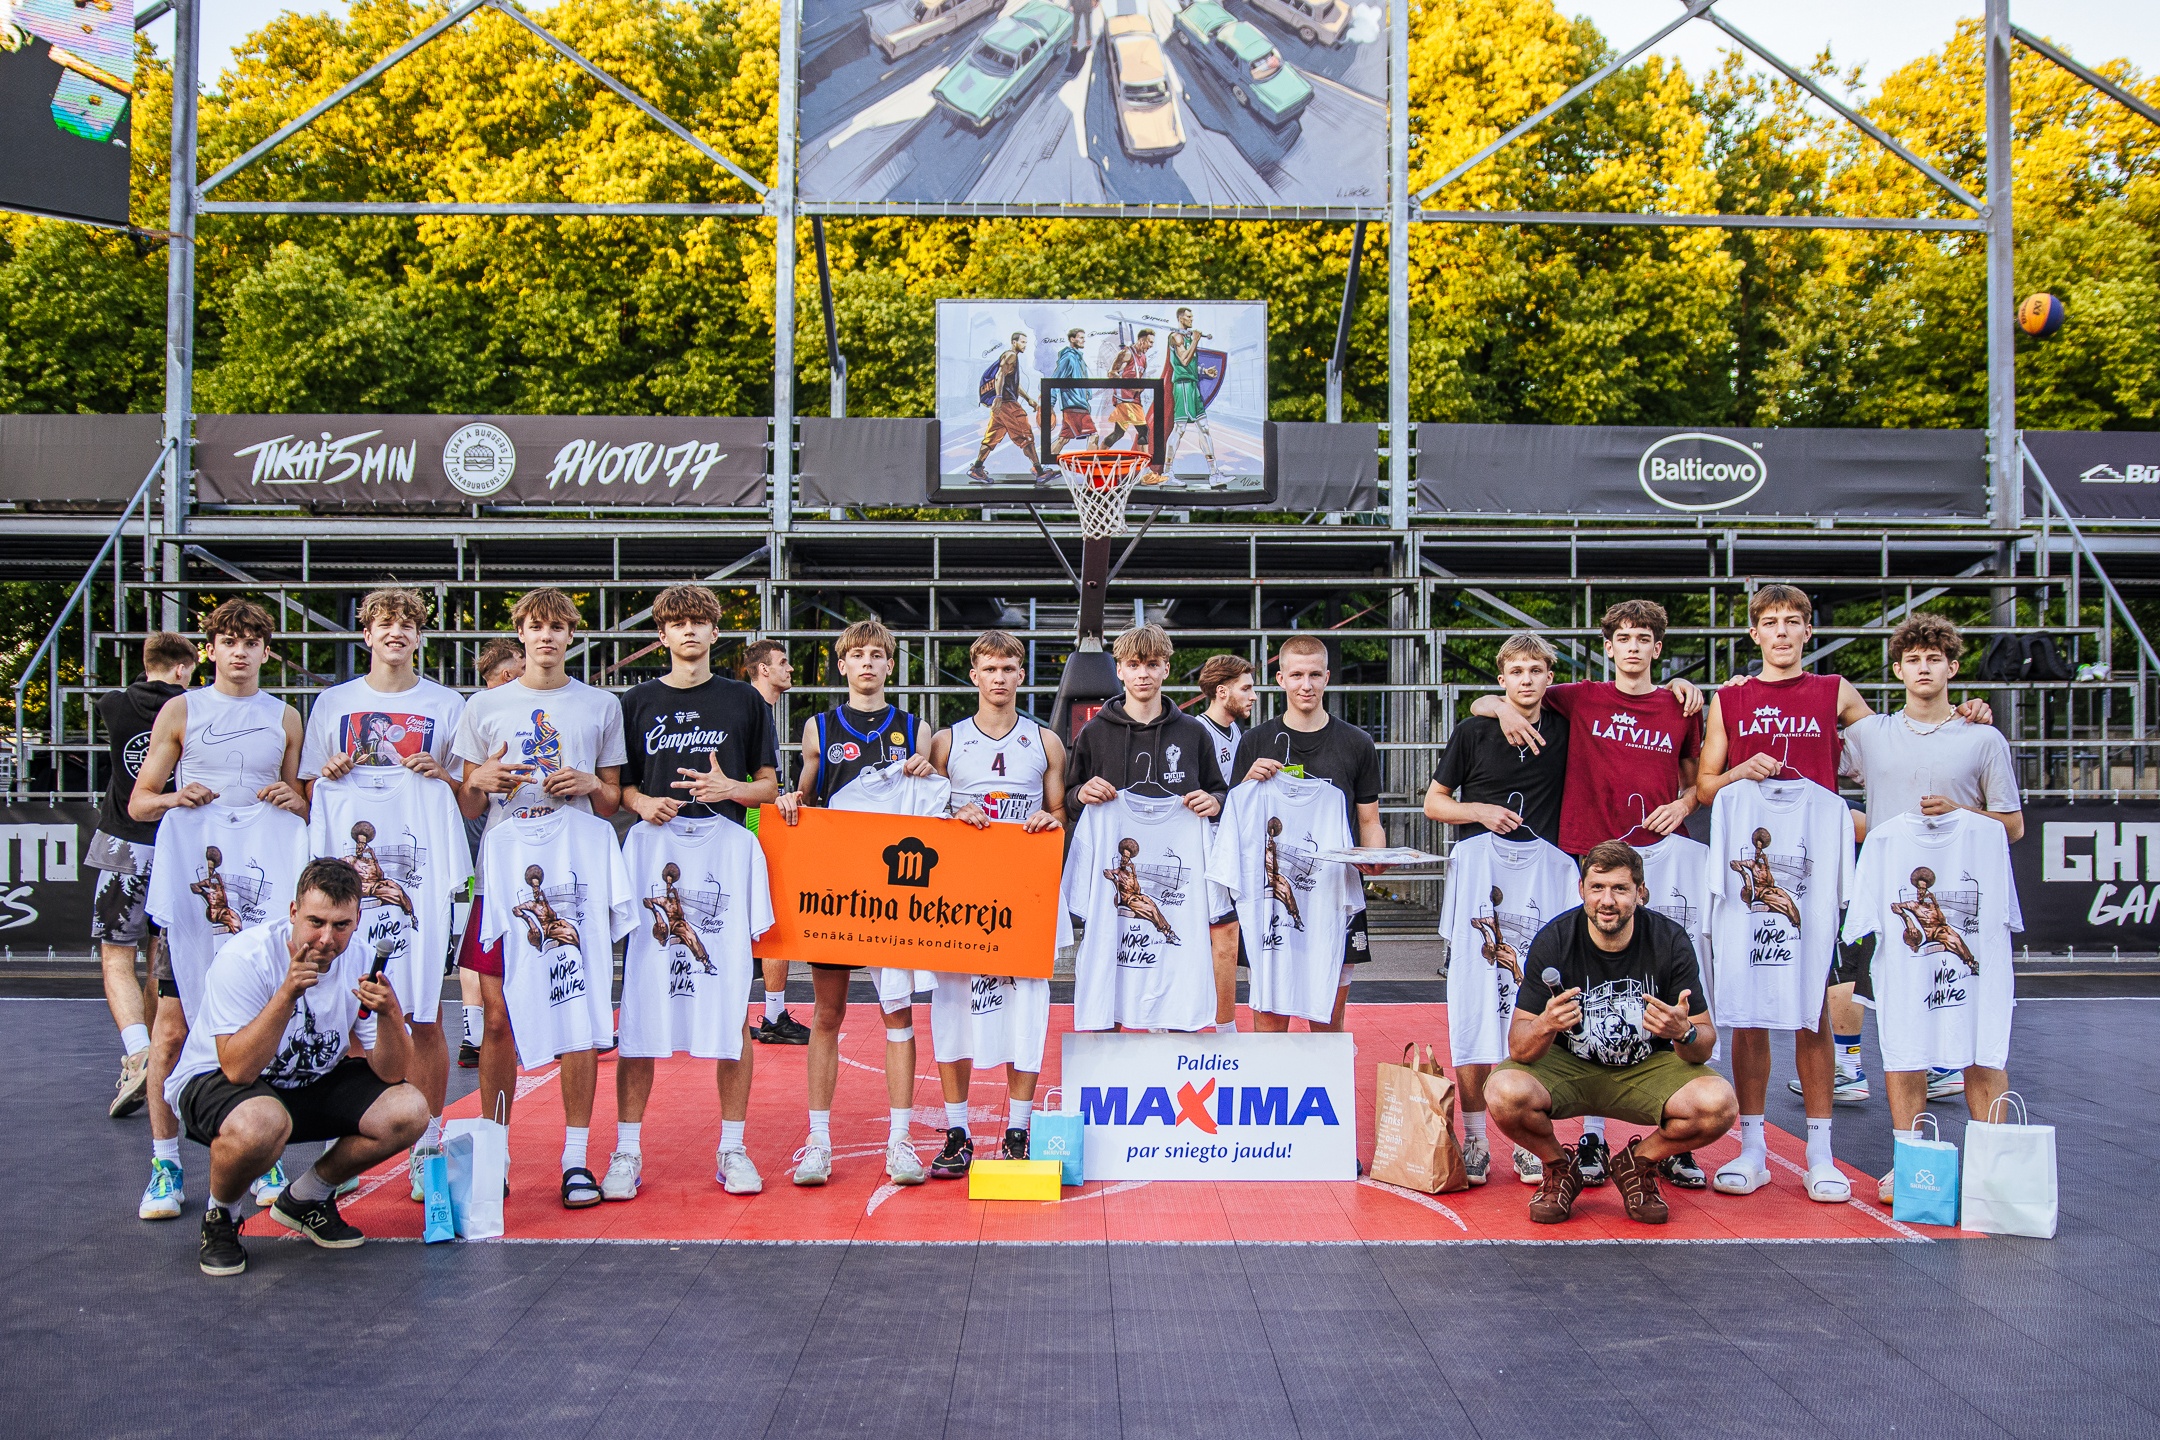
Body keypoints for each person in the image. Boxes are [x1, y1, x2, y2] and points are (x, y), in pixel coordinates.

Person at [1695, 585, 1991, 1196]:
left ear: (1808, 632)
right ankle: (1753, 1148)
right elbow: (1704, 786)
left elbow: (1900, 739)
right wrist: (1739, 771)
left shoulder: (1834, 691)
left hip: (1816, 867)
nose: (1781, 632)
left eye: (1793, 622)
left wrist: (1960, 713)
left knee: (1816, 1012)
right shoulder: (1731, 698)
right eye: (1770, 622)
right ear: (1754, 634)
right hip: (1756, 857)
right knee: (1749, 1016)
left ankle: (1820, 1153)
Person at [1465, 600, 1703, 1182]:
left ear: (1657, 647)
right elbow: (1490, 697)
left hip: (1657, 854)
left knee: (1661, 990)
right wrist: (1502, 706)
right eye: (1623, 638)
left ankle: (1674, 1127)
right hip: (1588, 852)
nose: (1632, 647)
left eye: (1643, 638)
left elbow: (1697, 778)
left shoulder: (1680, 705)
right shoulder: (1582, 696)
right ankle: (1593, 1137)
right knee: (1594, 998)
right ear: (1609, 646)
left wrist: (1685, 804)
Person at [129, 598, 308, 1219]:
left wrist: (295, 800)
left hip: (258, 891)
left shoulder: (284, 716)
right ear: (211, 649)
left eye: (250, 642)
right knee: (172, 1029)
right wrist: (175, 799)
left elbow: (303, 804)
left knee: (260, 1028)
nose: (239, 651)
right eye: (228, 641)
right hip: (194, 887)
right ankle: (165, 1163)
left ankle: (264, 1153)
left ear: (265, 651)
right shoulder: (183, 709)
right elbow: (139, 802)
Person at [167, 857, 430, 1276]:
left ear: (358, 921)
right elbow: (237, 1069)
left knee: (410, 1110)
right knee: (261, 1123)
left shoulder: (363, 960)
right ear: (293, 912)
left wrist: (391, 1015)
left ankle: (307, 1197)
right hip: (219, 1079)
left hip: (305, 1079)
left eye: (341, 925)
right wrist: (286, 994)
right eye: (315, 922)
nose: (326, 938)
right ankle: (222, 1215)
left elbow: (392, 1073)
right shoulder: (246, 957)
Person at [1837, 613, 2024, 1201]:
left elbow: (2013, 825)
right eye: (1912, 659)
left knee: (1981, 1045)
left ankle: (1993, 1171)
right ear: (1897, 670)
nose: (1923, 668)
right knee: (1904, 1042)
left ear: (1952, 667)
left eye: (1934, 659)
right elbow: (1802, 747)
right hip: (1896, 905)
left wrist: (1962, 814)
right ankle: (1912, 1162)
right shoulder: (1869, 736)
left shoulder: (1983, 738)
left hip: (1966, 904)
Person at [452, 588, 624, 1208]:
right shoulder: (484, 706)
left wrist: (589, 782)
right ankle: (495, 1155)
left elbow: (612, 798)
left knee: (578, 1013)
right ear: (520, 633)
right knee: (496, 1018)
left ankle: (575, 1158)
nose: (546, 636)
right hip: (503, 869)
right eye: (535, 626)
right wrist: (479, 779)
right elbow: (467, 801)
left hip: (573, 872)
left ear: (571, 636)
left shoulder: (600, 705)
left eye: (557, 627)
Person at [609, 584, 781, 1199]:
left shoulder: (743, 700)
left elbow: (769, 786)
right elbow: (618, 787)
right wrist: (640, 803)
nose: (688, 631)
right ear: (662, 635)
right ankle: (626, 1150)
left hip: (721, 851)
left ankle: (732, 1147)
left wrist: (729, 788)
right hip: (654, 847)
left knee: (732, 1014)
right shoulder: (636, 702)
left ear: (714, 632)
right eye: (677, 623)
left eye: (698, 622)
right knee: (638, 1018)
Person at [299, 587, 467, 1193]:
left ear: (419, 636)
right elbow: (310, 795)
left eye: (407, 624)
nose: (396, 632)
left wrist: (444, 778)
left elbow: (469, 797)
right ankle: (342, 1143)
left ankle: (429, 1142)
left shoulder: (447, 704)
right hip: (345, 903)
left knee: (424, 1018)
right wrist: (325, 778)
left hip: (415, 885)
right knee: (342, 1016)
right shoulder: (332, 704)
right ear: (366, 634)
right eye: (384, 623)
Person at [1487, 841, 1735, 1225]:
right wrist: (1546, 1023)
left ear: (1640, 892)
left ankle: (1638, 1164)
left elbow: (1703, 1045)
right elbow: (1519, 1047)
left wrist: (1683, 1033)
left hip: (1646, 1068)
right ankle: (1559, 1168)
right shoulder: (1555, 939)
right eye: (1597, 887)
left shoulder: (1669, 940)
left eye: (1620, 888)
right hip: (1569, 1066)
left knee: (1719, 1104)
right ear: (1581, 889)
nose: (1607, 900)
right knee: (1503, 1091)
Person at [775, 619, 938, 1187]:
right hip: (838, 889)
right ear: (842, 665)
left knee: (898, 1014)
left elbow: (932, 803)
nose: (867, 663)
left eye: (877, 655)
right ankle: (818, 1142)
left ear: (890, 665)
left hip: (894, 892)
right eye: (857, 655)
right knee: (827, 1014)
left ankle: (901, 1141)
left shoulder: (915, 729)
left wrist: (928, 770)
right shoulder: (818, 728)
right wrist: (792, 801)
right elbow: (806, 798)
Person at [1423, 632, 1569, 1185]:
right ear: (1502, 678)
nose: (1526, 679)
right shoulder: (1474, 730)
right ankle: (1477, 1138)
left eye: (1536, 670)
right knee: (1474, 1007)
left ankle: (1529, 1136)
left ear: (1549, 678)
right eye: (1516, 671)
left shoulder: (1563, 729)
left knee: (1534, 1014)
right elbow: (1434, 803)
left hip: (1542, 880)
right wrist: (1479, 811)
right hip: (1480, 878)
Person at [926, 631, 1066, 1177]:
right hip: (959, 898)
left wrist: (1049, 818)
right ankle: (958, 1132)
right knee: (953, 1009)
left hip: (1023, 894)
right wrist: (952, 815)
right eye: (990, 668)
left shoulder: (1045, 741)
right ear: (975, 676)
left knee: (1026, 1010)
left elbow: (1060, 812)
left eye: (1009, 668)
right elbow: (925, 816)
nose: (1000, 677)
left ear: (1021, 675)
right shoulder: (947, 741)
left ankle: (1018, 1131)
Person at [1062, 623, 1236, 1027]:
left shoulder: (1193, 733)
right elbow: (1069, 799)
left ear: (1166, 669)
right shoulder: (1094, 733)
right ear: (1119, 670)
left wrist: (1215, 801)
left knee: (1175, 994)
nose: (1143, 673)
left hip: (1181, 875)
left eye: (1152, 664)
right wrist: (1081, 793)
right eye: (1134, 664)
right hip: (1113, 897)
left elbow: (1221, 794)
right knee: (1110, 988)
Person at [1230, 634, 1388, 1032]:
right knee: (1270, 1022)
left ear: (1327, 677)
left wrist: (1375, 858)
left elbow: (1369, 821)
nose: (1306, 685)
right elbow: (1235, 821)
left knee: (1327, 1022)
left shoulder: (1357, 743)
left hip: (1333, 891)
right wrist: (1246, 782)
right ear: (1281, 678)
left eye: (1315, 675)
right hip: (1270, 898)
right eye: (1297, 675)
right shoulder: (1255, 741)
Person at [88, 631, 195, 1119]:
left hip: (123, 843)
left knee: (116, 955)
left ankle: (138, 1054)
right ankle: (156, 1059)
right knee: (159, 959)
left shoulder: (114, 704)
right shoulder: (194, 708)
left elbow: (136, 687)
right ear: (182, 669)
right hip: (173, 842)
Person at [454, 636, 524, 1069]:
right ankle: (478, 1029)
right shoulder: (483, 709)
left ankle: (473, 1031)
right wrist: (477, 779)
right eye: (521, 668)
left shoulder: (477, 707)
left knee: (479, 932)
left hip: (496, 826)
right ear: (507, 674)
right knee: (482, 932)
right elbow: (465, 791)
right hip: (490, 828)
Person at [742, 636, 811, 1046]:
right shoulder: (748, 709)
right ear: (764, 669)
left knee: (771, 923)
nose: (790, 668)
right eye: (783, 662)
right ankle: (767, 1015)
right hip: (750, 827)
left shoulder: (762, 711)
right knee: (768, 922)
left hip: (760, 825)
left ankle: (770, 1014)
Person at [969, 331, 1054, 482]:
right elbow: (999, 376)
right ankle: (1039, 471)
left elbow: (1013, 384)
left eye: (1026, 342)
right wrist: (998, 397)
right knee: (1026, 435)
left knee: (991, 438)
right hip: (1007, 405)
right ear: (1014, 342)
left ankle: (976, 468)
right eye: (1022, 342)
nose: (1025, 345)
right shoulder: (1011, 355)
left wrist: (1028, 399)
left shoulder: (1012, 357)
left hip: (1001, 408)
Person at [1163, 307, 1215, 478]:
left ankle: (1214, 473)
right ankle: (1167, 472)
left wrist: (1204, 371)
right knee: (1179, 428)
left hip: (1192, 385)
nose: (1192, 319)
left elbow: (1190, 365)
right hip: (1183, 386)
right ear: (1180, 318)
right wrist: (1195, 341)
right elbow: (1184, 361)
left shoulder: (1186, 337)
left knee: (1204, 427)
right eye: (1188, 317)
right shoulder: (1176, 337)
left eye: (1192, 317)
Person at [1194, 652, 1254, 787]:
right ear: (1222, 692)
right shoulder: (1197, 732)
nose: (1253, 696)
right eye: (1245, 689)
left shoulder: (1234, 728)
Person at [1051, 327, 1096, 453]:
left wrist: (1087, 395)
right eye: (1081, 338)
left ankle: (1044, 463)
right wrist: (1050, 403)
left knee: (1063, 439)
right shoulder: (1069, 358)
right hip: (1075, 405)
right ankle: (1092, 465)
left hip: (1076, 405)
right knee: (1094, 436)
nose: (1084, 340)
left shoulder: (1078, 358)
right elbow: (1056, 379)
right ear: (1072, 339)